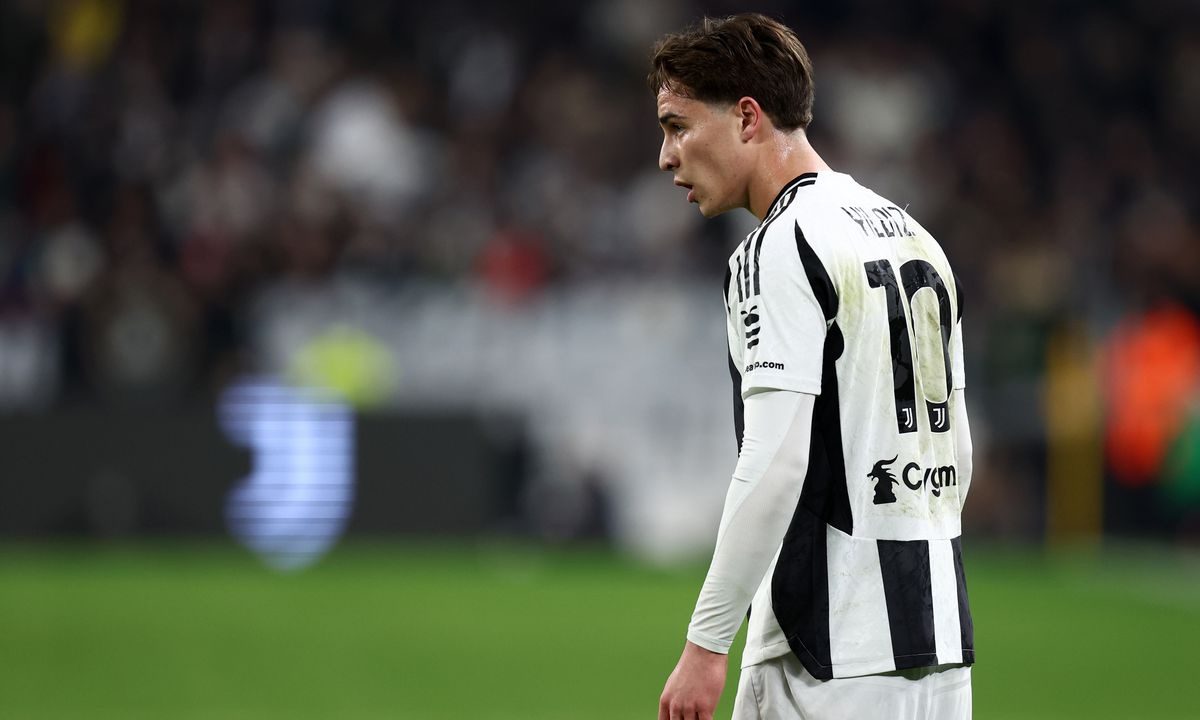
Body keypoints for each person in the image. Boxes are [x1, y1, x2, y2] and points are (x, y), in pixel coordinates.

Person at [650, 14, 974, 720]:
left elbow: (776, 461)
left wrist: (707, 643)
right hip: (940, 643)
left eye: (678, 126)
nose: (667, 156)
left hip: (826, 654)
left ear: (746, 118)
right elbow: (955, 454)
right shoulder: (914, 235)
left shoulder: (778, 245)